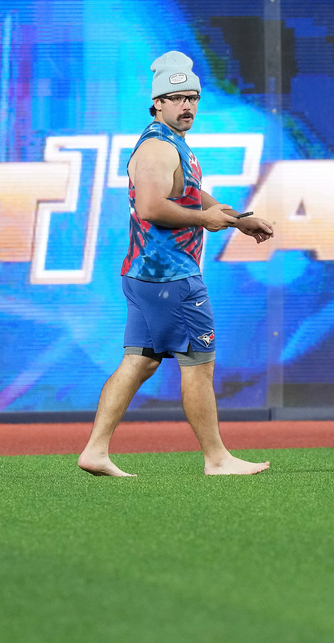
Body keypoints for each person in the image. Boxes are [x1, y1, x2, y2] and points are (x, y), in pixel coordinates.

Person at [78, 50, 275, 477]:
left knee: (140, 362)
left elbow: (187, 194)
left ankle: (95, 450)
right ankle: (217, 459)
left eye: (192, 98)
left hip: (148, 276)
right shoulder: (155, 149)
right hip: (171, 278)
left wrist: (238, 219)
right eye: (176, 97)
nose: (187, 106)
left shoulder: (171, 144)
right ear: (158, 103)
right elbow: (150, 206)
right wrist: (205, 219)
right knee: (199, 367)